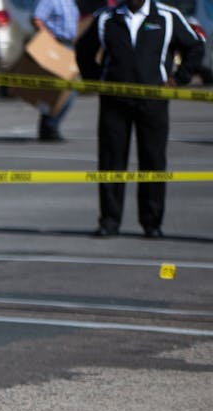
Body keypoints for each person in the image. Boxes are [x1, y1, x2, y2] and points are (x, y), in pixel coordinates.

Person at [76, 0, 205, 237]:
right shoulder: (107, 18)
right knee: (111, 161)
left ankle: (152, 222)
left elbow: (196, 46)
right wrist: (95, 79)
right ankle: (109, 221)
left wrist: (179, 78)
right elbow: (83, 50)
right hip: (114, 102)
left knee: (153, 161)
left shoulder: (167, 16)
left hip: (153, 102)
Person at [31, 0, 81, 141]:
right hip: (57, 46)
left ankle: (49, 126)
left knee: (68, 89)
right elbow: (36, 19)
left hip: (69, 46)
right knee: (62, 90)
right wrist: (49, 39)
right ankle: (49, 127)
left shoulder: (70, 2)